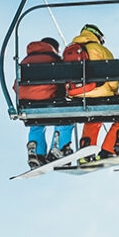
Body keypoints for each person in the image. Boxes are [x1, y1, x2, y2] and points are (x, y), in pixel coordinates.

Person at [65, 24, 119, 158]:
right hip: (100, 93)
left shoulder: (69, 50)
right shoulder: (100, 49)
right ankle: (109, 149)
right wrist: (114, 91)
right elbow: (113, 76)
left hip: (77, 95)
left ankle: (86, 151)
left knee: (93, 119)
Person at [14, 37, 74, 168]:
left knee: (36, 123)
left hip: (27, 102)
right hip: (48, 99)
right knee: (65, 119)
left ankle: (36, 153)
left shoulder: (25, 61)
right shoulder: (54, 59)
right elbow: (63, 81)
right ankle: (59, 148)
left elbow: (16, 85)